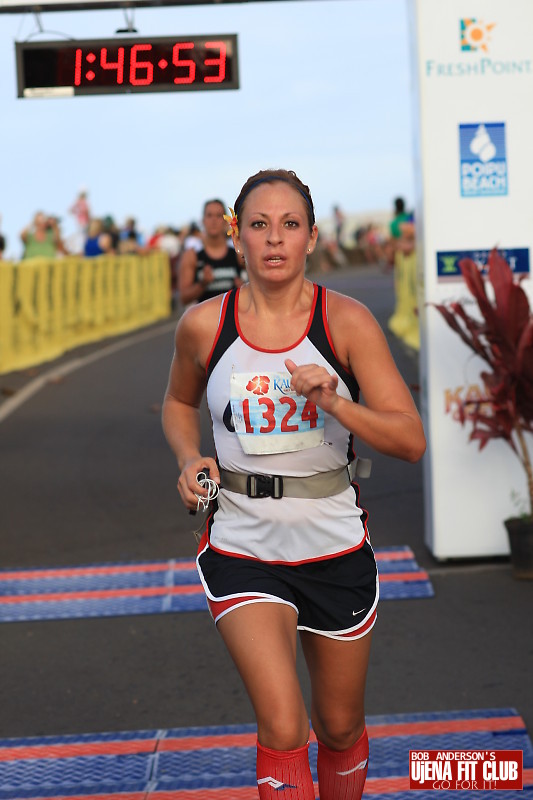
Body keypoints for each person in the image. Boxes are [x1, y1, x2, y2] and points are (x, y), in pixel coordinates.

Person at [162, 168, 426, 800]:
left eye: (289, 225)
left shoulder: (348, 322)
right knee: (283, 726)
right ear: (239, 236)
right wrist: (188, 455)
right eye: (258, 225)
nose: (274, 239)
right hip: (242, 544)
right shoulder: (204, 325)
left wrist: (336, 404)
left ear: (311, 238)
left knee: (338, 729)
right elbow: (176, 403)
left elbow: (409, 440)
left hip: (333, 542)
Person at [178, 198, 246, 306]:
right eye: (209, 215)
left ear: (226, 221)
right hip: (203, 319)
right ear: (203, 220)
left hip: (232, 317)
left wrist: (244, 288)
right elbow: (184, 298)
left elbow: (259, 284)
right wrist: (203, 284)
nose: (213, 220)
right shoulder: (192, 254)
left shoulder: (237, 252)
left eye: (218, 216)